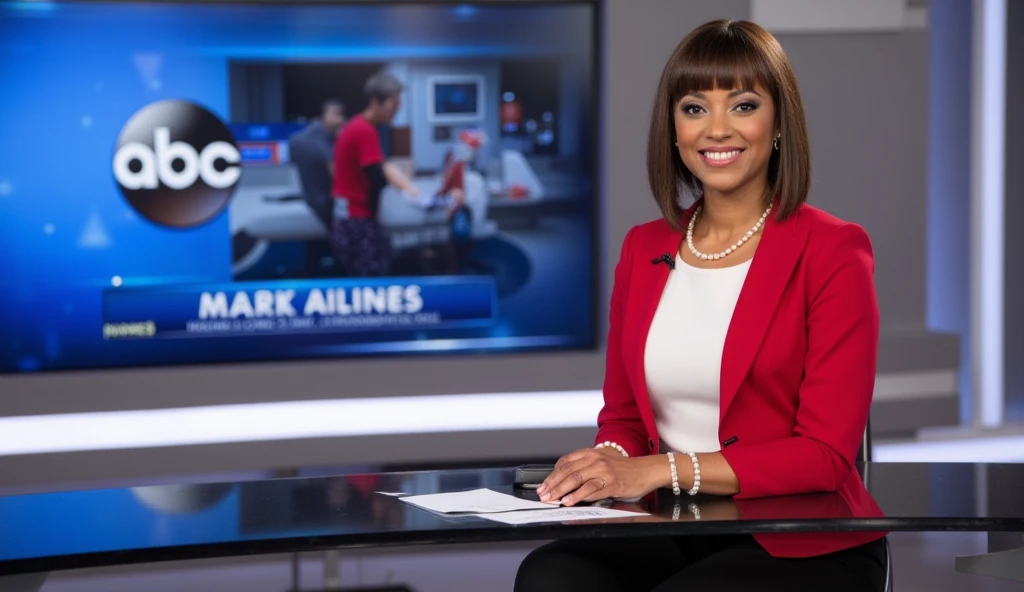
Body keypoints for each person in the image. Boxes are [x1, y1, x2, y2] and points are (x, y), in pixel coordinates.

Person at [514, 19, 887, 592]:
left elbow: (824, 455)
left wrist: (654, 469)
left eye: (742, 105)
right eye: (694, 108)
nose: (717, 129)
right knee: (552, 575)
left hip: (803, 535)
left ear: (778, 122)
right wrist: (604, 464)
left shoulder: (834, 249)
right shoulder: (644, 248)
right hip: (676, 523)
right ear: (673, 129)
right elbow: (625, 420)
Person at [330, 70, 417, 276]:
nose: (398, 107)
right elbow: (376, 177)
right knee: (375, 277)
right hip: (357, 221)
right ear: (376, 102)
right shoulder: (364, 131)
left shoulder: (356, 126)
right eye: (393, 102)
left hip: (347, 218)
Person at [288, 99, 346, 229]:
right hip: (325, 204)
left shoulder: (301, 137)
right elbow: (337, 172)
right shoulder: (321, 142)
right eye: (336, 115)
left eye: (341, 115)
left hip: (311, 197)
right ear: (323, 116)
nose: (340, 119)